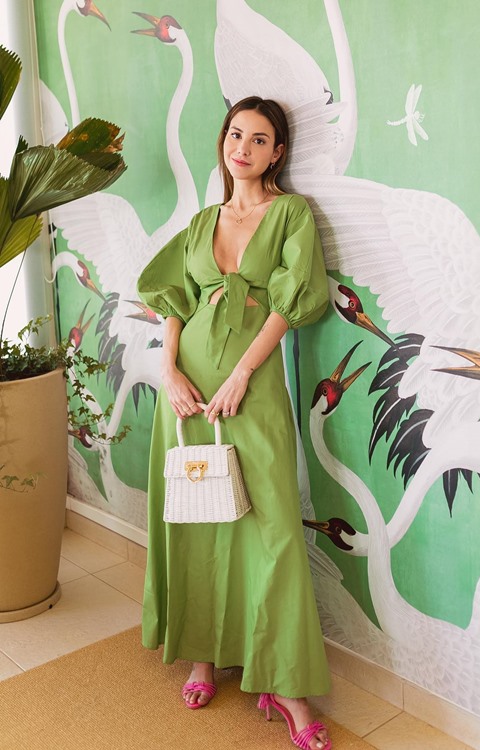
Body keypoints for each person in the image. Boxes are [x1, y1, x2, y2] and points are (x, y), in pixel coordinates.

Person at [137, 96, 332, 750]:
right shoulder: (202, 222)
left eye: (259, 138)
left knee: (271, 528)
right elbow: (172, 299)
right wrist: (169, 369)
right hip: (189, 396)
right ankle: (201, 654)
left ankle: (285, 685)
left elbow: (292, 302)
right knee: (197, 519)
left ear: (278, 151)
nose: (242, 146)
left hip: (251, 391)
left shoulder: (291, 214)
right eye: (235, 134)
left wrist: (244, 373)